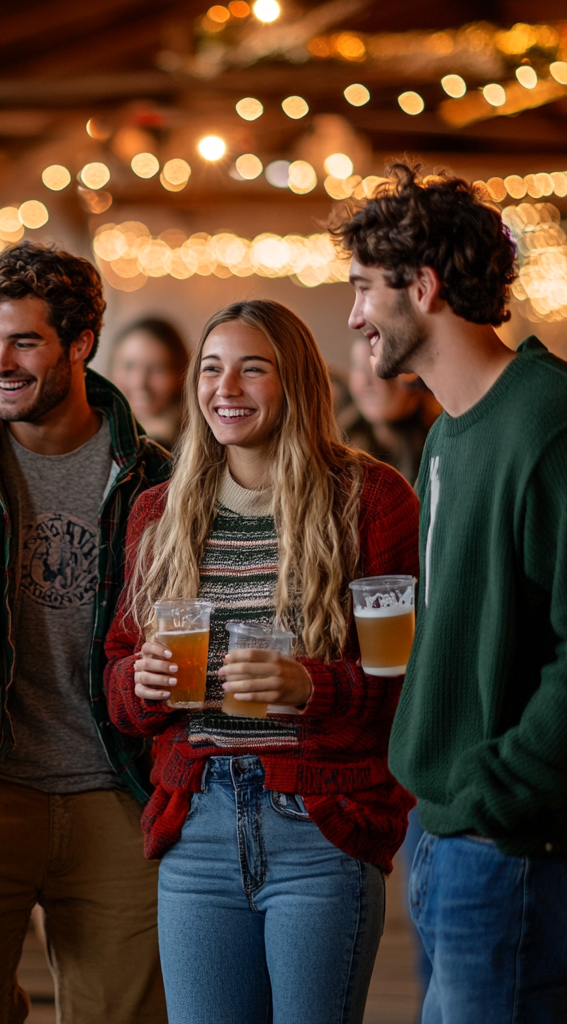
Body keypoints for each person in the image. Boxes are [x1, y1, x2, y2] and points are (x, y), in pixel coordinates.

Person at [104, 299, 419, 1024]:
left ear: (299, 382)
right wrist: (140, 682)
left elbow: (402, 681)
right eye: (212, 370)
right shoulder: (159, 512)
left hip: (319, 825)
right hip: (197, 822)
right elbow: (119, 679)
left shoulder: (372, 500)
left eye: (253, 369)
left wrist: (313, 686)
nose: (226, 389)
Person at [0, 241, 171, 1024]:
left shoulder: (161, 480)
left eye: (25, 341)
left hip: (116, 790)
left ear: (81, 344)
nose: (1, 362)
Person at [338, 164, 567, 1024]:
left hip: (507, 845)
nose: (355, 314)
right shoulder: (445, 441)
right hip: (441, 834)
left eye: (365, 289)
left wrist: (492, 795)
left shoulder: (547, 424)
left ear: (423, 287)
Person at [345, 336, 440, 483]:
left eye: (376, 366)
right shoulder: (340, 444)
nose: (366, 381)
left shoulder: (442, 443)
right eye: (358, 367)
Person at [109, 316, 189, 448]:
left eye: (157, 369)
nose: (139, 382)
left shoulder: (197, 444)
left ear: (181, 374)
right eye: (128, 366)